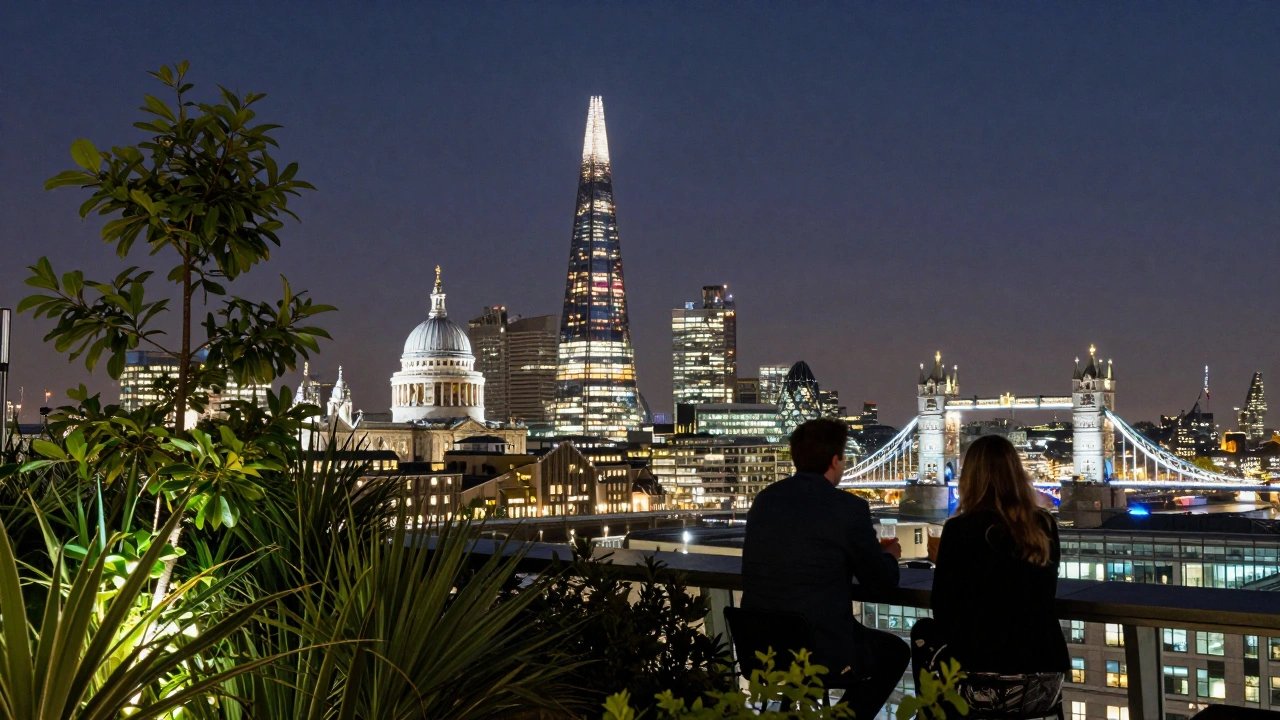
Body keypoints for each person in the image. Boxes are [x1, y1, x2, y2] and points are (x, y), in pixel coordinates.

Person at [742, 418, 909, 719]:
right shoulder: (848, 508)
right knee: (894, 653)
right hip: (820, 649)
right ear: (835, 460)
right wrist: (890, 555)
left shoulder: (764, 501)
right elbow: (882, 582)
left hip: (760, 646)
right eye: (844, 458)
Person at [912, 435, 1069, 703]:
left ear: (969, 478)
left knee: (923, 631)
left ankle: (930, 713)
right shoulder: (1044, 525)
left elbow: (943, 608)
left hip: (978, 681)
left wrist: (946, 564)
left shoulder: (959, 529)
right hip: (1043, 680)